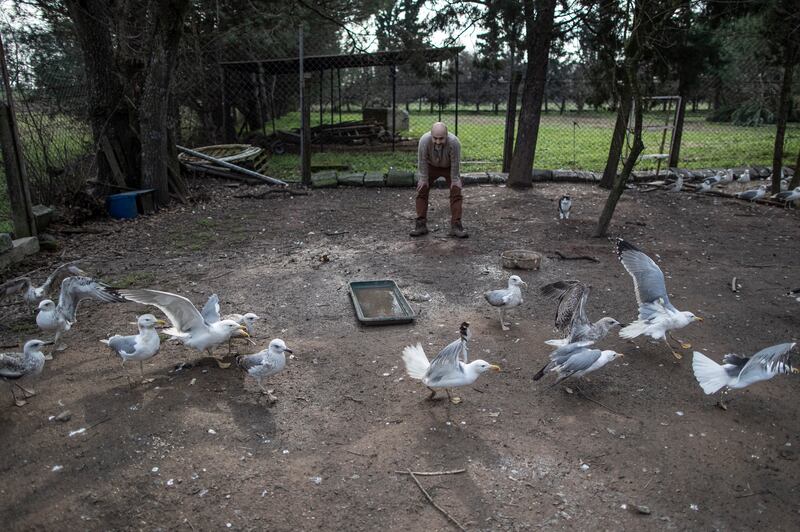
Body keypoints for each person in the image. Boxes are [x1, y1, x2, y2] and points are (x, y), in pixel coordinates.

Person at [410, 122, 468, 238]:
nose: (437, 142)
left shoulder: (454, 142)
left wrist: (455, 179)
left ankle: (456, 225)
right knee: (422, 190)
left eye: (441, 138)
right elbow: (422, 160)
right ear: (431, 135)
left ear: (447, 135)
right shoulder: (424, 141)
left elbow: (455, 162)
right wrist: (423, 179)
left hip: (449, 167)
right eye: (435, 138)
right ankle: (421, 225)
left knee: (456, 192)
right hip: (430, 166)